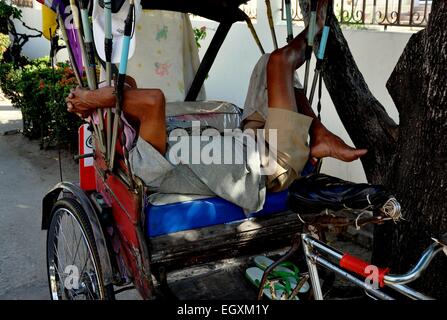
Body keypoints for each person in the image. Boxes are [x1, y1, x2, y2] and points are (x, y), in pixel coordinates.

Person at [66, 0, 367, 213]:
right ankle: (316, 28)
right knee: (279, 62)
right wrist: (95, 99)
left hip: (253, 140)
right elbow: (151, 99)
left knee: (265, 64)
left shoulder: (135, 134)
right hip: (275, 163)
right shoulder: (144, 159)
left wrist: (97, 98)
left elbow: (128, 84)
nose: (126, 93)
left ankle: (318, 135)